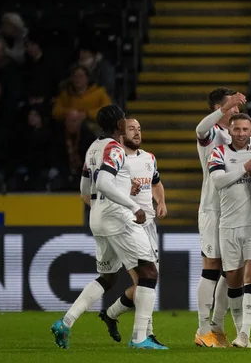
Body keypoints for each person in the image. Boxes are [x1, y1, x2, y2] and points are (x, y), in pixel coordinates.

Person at [51, 105, 166, 350]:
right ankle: (140, 338)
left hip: (98, 217)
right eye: (125, 120)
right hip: (119, 217)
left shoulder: (93, 147)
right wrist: (132, 206)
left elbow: (85, 189)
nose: (128, 123)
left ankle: (66, 321)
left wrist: (106, 202)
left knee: (108, 277)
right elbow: (103, 182)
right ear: (119, 124)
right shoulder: (114, 147)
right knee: (149, 273)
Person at [99, 117, 168, 347]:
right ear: (121, 133)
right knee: (144, 279)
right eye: (132, 129)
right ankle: (144, 334)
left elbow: (156, 182)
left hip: (149, 224)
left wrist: (161, 201)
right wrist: (127, 190)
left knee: (146, 282)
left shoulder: (149, 158)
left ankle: (111, 314)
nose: (137, 133)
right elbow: (104, 188)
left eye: (139, 129)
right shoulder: (116, 159)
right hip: (127, 225)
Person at [208, 113, 251, 348]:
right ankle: (238, 328)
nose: (241, 133)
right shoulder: (219, 152)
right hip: (229, 226)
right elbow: (218, 181)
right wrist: (246, 167)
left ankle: (244, 334)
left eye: (245, 129)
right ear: (229, 131)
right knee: (233, 280)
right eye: (237, 129)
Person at [194, 88, 247, 348]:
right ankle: (203, 330)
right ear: (218, 107)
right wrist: (223, 110)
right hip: (212, 209)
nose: (236, 110)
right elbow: (199, 129)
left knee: (231, 269)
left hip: (234, 211)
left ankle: (216, 325)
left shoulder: (231, 136)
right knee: (211, 268)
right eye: (231, 106)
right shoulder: (212, 133)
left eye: (237, 107)